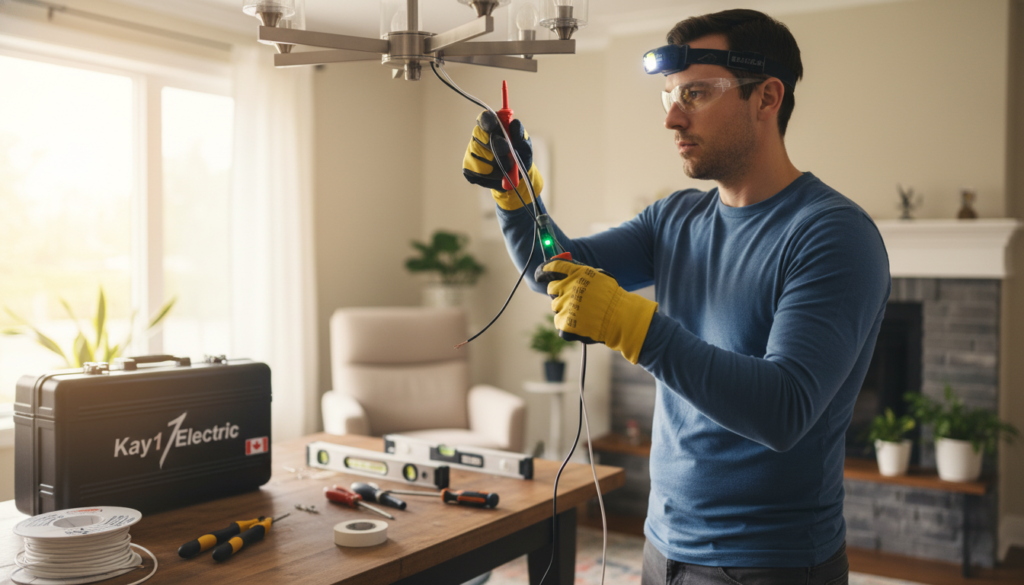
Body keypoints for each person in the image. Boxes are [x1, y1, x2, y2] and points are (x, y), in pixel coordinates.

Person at [462, 9, 889, 585]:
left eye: (696, 93)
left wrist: (638, 329)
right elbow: (555, 268)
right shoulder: (676, 217)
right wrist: (515, 195)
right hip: (662, 545)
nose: (672, 118)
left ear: (767, 97)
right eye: (669, 96)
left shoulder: (833, 234)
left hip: (769, 563)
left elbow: (784, 408)